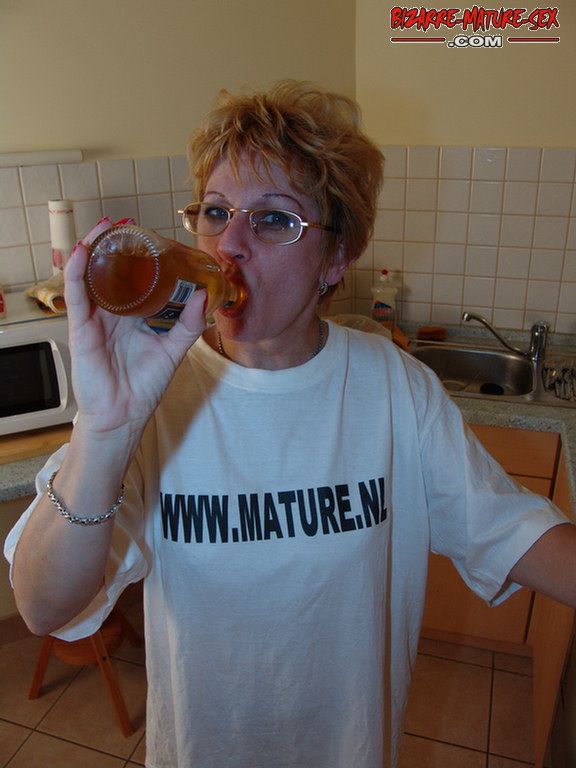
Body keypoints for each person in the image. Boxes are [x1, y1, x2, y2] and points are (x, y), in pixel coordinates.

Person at [4, 80, 576, 768]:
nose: (229, 245)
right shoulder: (155, 399)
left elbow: (510, 529)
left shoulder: (391, 386)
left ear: (336, 258)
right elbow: (41, 606)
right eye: (216, 212)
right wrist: (104, 429)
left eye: (274, 220)